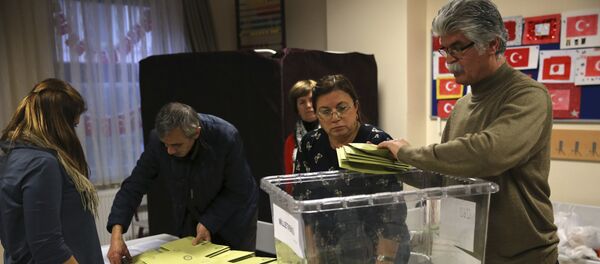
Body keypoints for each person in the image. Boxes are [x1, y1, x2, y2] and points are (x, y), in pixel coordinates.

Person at [378, 0, 558, 263]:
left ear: (493, 44)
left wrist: (408, 153)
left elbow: (489, 153)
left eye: (458, 48)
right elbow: (447, 176)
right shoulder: (462, 106)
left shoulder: (528, 96)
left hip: (523, 256)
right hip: (468, 253)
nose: (450, 60)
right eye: (445, 50)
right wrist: (391, 163)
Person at [106, 102, 258, 263]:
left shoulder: (225, 137)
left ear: (196, 133)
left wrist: (208, 222)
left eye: (176, 145)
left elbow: (238, 190)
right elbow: (133, 186)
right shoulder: (157, 140)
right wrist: (117, 233)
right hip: (192, 214)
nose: (170, 151)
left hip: (233, 220)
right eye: (166, 144)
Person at [295, 74, 409, 264]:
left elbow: (392, 212)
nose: (335, 117)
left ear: (355, 107)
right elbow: (303, 202)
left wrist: (385, 259)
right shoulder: (310, 144)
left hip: (378, 250)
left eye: (342, 108)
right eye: (325, 111)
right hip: (329, 249)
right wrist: (312, 255)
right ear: (316, 114)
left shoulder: (377, 143)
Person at [0, 78, 103, 263]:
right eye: (74, 125)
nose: (73, 132)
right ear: (59, 124)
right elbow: (49, 247)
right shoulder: (42, 164)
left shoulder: (11, 157)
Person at [283, 79, 319, 174]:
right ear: (297, 108)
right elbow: (289, 181)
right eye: (302, 102)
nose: (308, 105)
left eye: (311, 100)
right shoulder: (290, 142)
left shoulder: (333, 134)